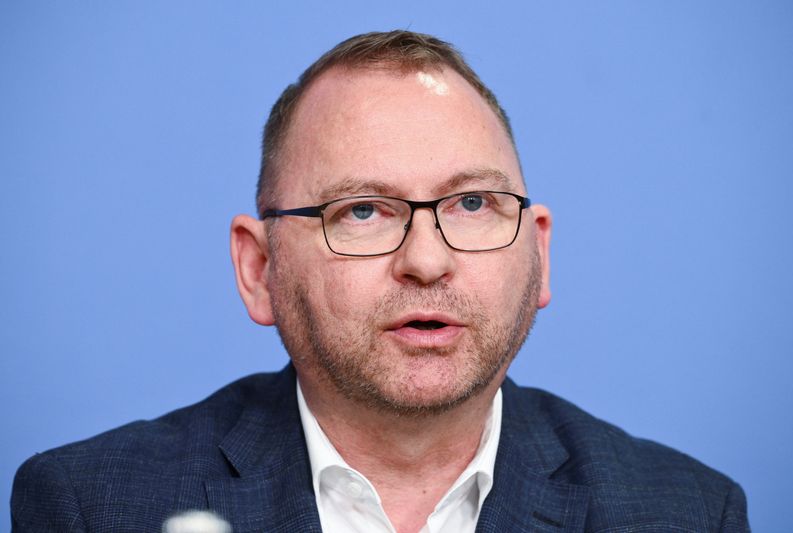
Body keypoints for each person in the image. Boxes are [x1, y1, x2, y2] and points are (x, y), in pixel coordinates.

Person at [11, 30, 749, 532]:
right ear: (259, 269)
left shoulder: (687, 510)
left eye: (472, 203)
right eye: (361, 210)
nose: (426, 260)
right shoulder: (90, 505)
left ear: (539, 254)